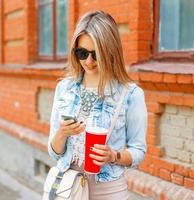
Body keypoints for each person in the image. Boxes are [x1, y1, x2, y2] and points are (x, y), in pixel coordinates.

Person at [48, 10, 147, 200]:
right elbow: (54, 153)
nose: (88, 62)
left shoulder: (131, 95)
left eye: (96, 54)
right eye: (82, 53)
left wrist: (114, 156)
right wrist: (62, 133)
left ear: (110, 52)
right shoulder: (64, 88)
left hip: (108, 191)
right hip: (68, 188)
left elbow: (138, 150)